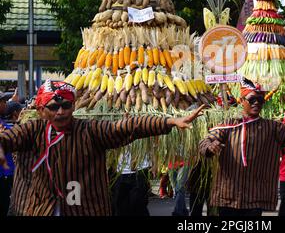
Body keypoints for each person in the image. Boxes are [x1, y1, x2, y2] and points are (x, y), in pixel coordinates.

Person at [0, 80, 205, 216]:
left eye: (67, 106)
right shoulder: (30, 131)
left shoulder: (89, 130)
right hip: (34, 209)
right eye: (53, 107)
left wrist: (169, 122)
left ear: (74, 107)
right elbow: (8, 138)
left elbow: (127, 126)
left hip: (84, 209)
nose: (61, 112)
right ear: (41, 109)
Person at [198, 78, 285, 216]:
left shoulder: (272, 127)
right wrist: (210, 147)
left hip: (254, 197)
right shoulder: (228, 125)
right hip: (228, 197)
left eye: (260, 100)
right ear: (242, 100)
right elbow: (206, 141)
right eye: (252, 99)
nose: (256, 103)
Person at [111, 146, 152, 216]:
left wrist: (153, 165)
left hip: (140, 170)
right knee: (121, 206)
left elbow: (152, 146)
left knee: (138, 205)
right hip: (121, 172)